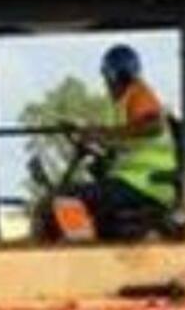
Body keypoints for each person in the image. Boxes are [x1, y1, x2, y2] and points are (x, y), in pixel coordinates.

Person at [63, 45, 178, 240]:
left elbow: (153, 126)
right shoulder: (125, 101)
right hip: (138, 182)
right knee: (101, 218)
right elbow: (126, 140)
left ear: (113, 76)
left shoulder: (139, 94)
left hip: (145, 183)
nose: (106, 84)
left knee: (69, 198)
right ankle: (94, 249)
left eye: (107, 78)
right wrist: (97, 137)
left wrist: (104, 133)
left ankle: (79, 252)